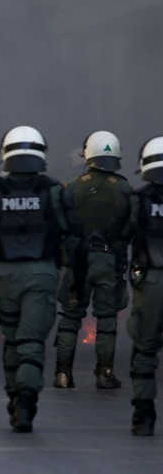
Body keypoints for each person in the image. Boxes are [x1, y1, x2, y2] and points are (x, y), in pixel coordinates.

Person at [0, 125, 84, 433]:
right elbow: (76, 242)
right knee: (31, 343)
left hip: (6, 277)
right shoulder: (55, 192)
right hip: (43, 274)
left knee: (13, 342)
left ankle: (16, 396)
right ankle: (26, 401)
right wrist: (77, 284)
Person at [54, 131, 132, 390]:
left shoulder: (73, 186)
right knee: (107, 318)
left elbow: (60, 225)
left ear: (88, 155)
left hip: (77, 261)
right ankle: (104, 373)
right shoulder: (122, 186)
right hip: (107, 259)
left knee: (70, 316)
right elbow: (129, 226)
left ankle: (63, 374)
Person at [125, 136, 163, 436]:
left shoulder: (138, 200)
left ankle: (144, 416)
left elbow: (117, 233)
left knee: (144, 350)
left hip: (151, 281)